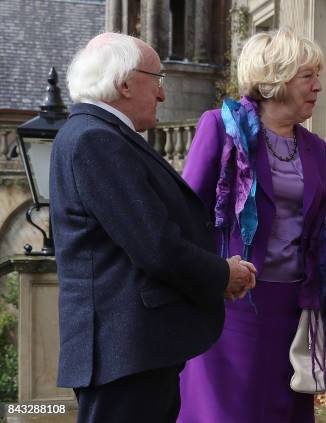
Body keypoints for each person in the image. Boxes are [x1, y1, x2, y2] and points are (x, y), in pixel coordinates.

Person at [176, 27, 326, 423]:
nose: (319, 86)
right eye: (307, 76)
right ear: (274, 79)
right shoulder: (220, 128)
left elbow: (319, 235)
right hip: (231, 308)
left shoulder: (315, 149)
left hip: (293, 310)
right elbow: (187, 216)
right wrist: (211, 275)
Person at [49, 33, 256, 423]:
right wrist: (222, 273)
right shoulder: (96, 139)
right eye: (157, 80)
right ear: (124, 82)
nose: (162, 95)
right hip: (125, 353)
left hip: (133, 352)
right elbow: (156, 247)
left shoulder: (98, 135)